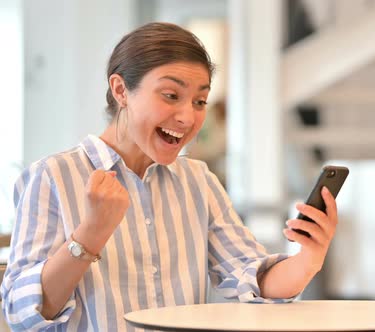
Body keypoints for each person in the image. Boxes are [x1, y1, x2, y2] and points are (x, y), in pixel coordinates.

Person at [1, 22, 339, 331]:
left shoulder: (198, 180)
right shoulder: (52, 176)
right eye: (171, 96)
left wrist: (309, 259)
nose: (187, 116)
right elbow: (20, 312)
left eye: (200, 101)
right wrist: (89, 236)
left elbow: (250, 275)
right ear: (121, 90)